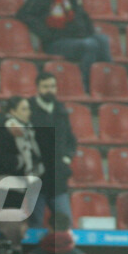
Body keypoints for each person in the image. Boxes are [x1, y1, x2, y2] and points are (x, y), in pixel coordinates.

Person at [17, 0, 111, 89]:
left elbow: (83, 17)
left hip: (75, 39)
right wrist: (46, 34)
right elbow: (24, 14)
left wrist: (89, 32)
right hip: (55, 42)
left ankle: (105, 82)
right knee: (90, 45)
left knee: (103, 40)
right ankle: (86, 85)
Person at [29, 72, 77, 225]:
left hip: (57, 177)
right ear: (37, 88)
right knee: (35, 224)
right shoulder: (28, 107)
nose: (50, 90)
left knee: (65, 223)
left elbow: (70, 138)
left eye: (53, 86)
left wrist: (67, 157)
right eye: (45, 87)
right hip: (37, 176)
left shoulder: (60, 109)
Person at [0, 96, 45, 226]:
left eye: (28, 108)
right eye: (24, 109)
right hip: (8, 183)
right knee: (9, 221)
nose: (29, 112)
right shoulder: (6, 131)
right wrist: (19, 161)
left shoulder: (29, 130)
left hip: (24, 181)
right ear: (13, 112)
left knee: (18, 221)